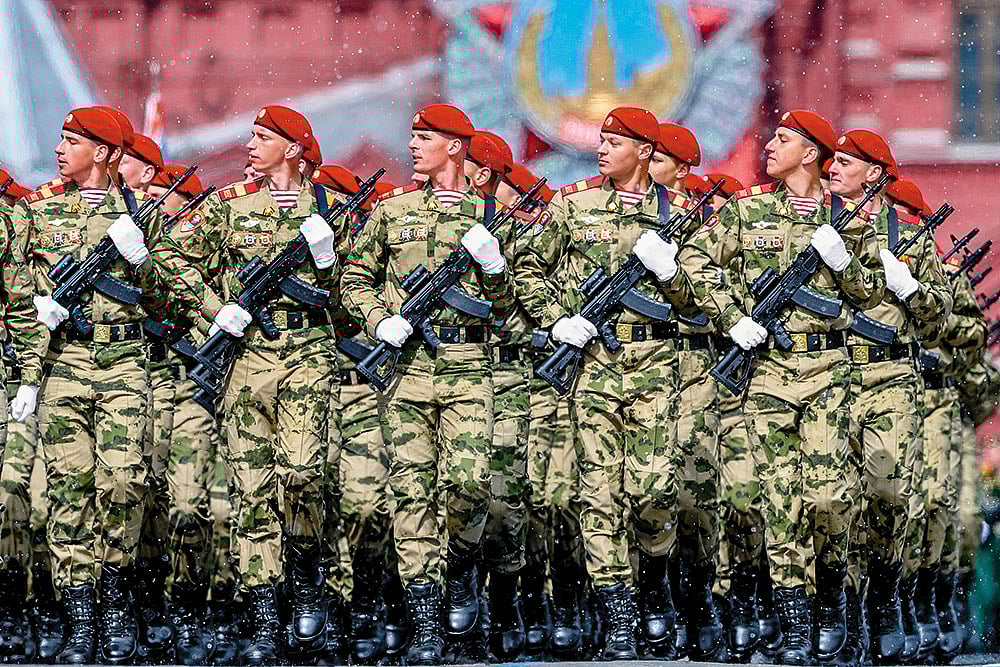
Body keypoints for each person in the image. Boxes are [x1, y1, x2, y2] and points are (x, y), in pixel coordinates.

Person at [667, 110, 884, 664]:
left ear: (811, 153)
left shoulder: (850, 219)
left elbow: (869, 297)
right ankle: (793, 625)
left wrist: (846, 265)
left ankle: (832, 595)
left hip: (828, 374)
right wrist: (730, 315)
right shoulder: (748, 211)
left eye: (784, 140)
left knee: (831, 499)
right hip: (764, 375)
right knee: (778, 503)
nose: (769, 145)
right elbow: (692, 259)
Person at [149, 105, 347, 665]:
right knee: (253, 491)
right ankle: (265, 616)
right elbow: (172, 260)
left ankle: (307, 578)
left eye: (263, 137)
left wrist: (329, 259)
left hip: (308, 352)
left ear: (292, 148)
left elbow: (358, 285)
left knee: (304, 474)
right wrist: (218, 311)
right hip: (248, 358)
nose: (251, 144)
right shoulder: (229, 205)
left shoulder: (331, 209)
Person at [515, 106, 690, 660]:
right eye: (602, 139)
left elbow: (709, 300)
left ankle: (656, 583)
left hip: (655, 363)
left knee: (654, 487)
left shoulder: (684, 214)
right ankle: (619, 613)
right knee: (597, 493)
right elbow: (525, 267)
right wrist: (557, 317)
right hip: (591, 364)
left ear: (645, 151)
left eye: (616, 141)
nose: (602, 148)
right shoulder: (573, 205)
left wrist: (671, 275)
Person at [342, 104, 514, 665]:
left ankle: (462, 569)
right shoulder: (392, 211)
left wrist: (494, 271)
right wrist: (377, 317)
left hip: (466, 362)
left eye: (426, 138)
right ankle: (426, 627)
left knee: (466, 486)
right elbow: (353, 277)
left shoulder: (497, 215)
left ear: (457, 147)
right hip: (407, 369)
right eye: (412, 136)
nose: (414, 145)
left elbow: (517, 304)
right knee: (411, 494)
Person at [17, 107, 166, 664]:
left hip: (126, 360)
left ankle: (118, 596)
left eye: (72, 141)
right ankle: (82, 614)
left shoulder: (142, 214)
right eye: (59, 140)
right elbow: (23, 304)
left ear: (103, 153)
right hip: (63, 363)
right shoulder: (39, 211)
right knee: (69, 491)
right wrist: (30, 375)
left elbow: (170, 302)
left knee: (125, 482)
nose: (59, 150)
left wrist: (142, 260)